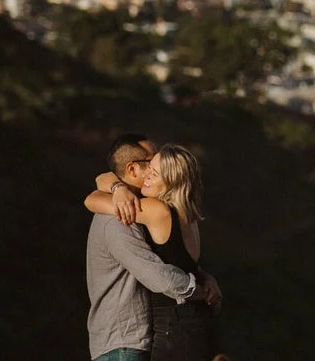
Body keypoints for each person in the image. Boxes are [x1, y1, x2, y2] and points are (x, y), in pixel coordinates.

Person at [86, 134, 218, 361]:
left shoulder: (152, 210)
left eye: (155, 171)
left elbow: (91, 199)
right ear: (133, 169)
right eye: (149, 165)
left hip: (153, 334)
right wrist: (198, 286)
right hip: (124, 342)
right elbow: (91, 198)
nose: (149, 174)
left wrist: (117, 187)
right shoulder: (121, 215)